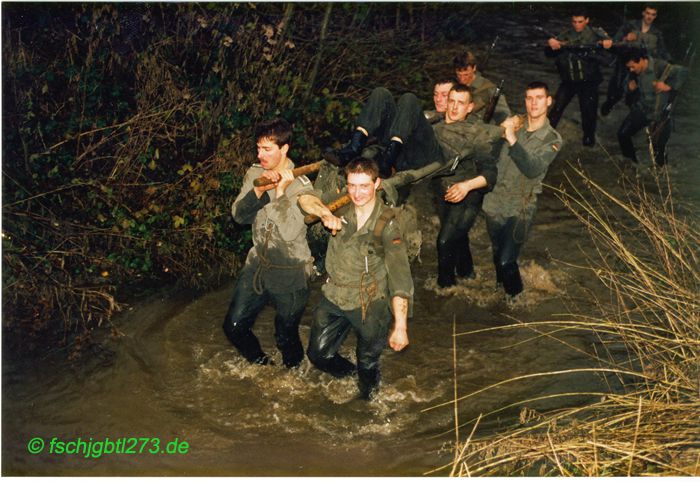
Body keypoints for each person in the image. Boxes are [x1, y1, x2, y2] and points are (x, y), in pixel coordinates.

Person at [298, 158, 413, 400]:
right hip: (335, 294)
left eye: (364, 186)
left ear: (377, 184)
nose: (357, 193)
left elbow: (400, 278)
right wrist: (323, 213)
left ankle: (369, 404)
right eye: (352, 185)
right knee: (318, 354)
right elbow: (303, 199)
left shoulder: (388, 224)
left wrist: (400, 326)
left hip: (371, 300)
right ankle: (351, 375)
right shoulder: (340, 203)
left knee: (368, 361)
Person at [222, 118, 314, 368]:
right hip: (258, 264)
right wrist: (259, 192)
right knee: (233, 327)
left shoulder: (302, 186)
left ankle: (296, 381)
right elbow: (239, 216)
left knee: (285, 337)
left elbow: (287, 231)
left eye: (267, 149)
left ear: (284, 149)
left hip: (290, 269)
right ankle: (263, 366)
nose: (260, 155)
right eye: (258, 148)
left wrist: (282, 192)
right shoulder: (255, 173)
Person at [482, 81, 563, 300]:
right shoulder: (515, 123)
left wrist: (511, 138)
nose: (533, 103)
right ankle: (501, 299)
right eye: (529, 98)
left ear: (548, 101)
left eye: (538, 98)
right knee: (498, 255)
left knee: (507, 260)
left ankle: (517, 306)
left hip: (521, 206)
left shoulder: (552, 139)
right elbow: (488, 151)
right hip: (494, 201)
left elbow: (532, 168)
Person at [434, 85, 505, 288]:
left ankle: (445, 290)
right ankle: (468, 275)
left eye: (461, 103)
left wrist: (467, 186)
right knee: (459, 237)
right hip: (443, 191)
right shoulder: (436, 127)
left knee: (444, 242)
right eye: (452, 101)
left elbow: (490, 174)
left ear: (470, 107)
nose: (455, 107)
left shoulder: (477, 135)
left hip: (469, 194)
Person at [545, 9, 613, 146]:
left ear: (587, 20)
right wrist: (551, 45)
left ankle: (588, 142)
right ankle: (544, 137)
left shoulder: (596, 34)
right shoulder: (565, 35)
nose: (577, 25)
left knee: (588, 113)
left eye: (580, 22)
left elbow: (612, 56)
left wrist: (608, 45)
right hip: (569, 81)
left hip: (589, 82)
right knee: (556, 109)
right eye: (574, 22)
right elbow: (549, 54)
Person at [617, 47, 688, 167]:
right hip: (643, 109)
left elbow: (684, 72)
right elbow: (625, 85)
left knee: (658, 151)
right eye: (629, 67)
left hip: (662, 114)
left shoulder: (660, 67)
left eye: (633, 66)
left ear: (641, 60)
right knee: (622, 134)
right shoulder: (633, 71)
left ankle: (662, 177)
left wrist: (669, 86)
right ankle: (633, 166)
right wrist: (628, 88)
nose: (631, 69)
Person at [602, 4, 670, 116]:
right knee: (615, 92)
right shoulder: (630, 26)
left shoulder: (657, 33)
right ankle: (609, 104)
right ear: (643, 13)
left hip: (640, 67)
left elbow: (662, 51)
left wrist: (669, 64)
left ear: (655, 16)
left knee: (634, 95)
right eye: (648, 13)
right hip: (624, 64)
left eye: (653, 15)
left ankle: (631, 118)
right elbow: (614, 43)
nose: (649, 17)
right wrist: (625, 38)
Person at [453, 49, 511, 124]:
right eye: (459, 75)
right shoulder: (453, 86)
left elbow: (504, 114)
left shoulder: (489, 89)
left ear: (474, 68)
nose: (462, 79)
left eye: (466, 75)